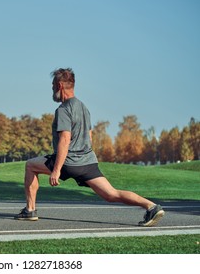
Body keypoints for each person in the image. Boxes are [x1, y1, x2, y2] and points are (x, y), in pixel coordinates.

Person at [15, 68, 165, 227]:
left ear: (59, 85)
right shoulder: (83, 107)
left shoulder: (64, 109)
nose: (51, 89)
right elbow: (90, 135)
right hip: (87, 163)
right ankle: (151, 206)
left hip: (69, 162)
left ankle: (30, 210)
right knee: (111, 194)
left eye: (53, 85)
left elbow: (65, 139)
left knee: (31, 165)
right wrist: (83, 157)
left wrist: (57, 169)